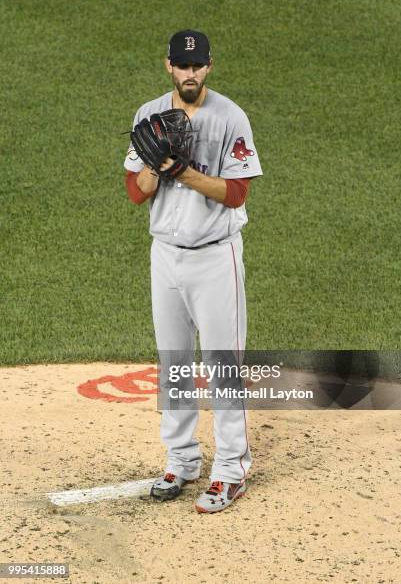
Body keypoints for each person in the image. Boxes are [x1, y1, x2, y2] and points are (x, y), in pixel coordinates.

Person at [124, 30, 263, 513]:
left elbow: (237, 193)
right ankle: (181, 460)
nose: (190, 74)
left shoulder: (230, 117)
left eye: (197, 66)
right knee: (174, 362)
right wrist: (158, 167)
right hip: (165, 255)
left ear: (209, 66)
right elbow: (135, 191)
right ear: (168, 66)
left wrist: (183, 171)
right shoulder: (148, 114)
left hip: (214, 256)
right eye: (182, 66)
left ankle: (231, 468)